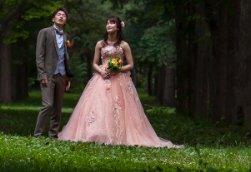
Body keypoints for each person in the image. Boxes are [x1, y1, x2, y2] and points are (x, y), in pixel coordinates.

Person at [58, 17, 179, 148]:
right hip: (102, 77)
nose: (109, 25)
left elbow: (131, 64)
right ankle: (95, 133)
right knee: (99, 104)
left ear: (118, 27)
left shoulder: (124, 45)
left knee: (117, 106)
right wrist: (102, 71)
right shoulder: (100, 44)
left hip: (119, 78)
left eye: (112, 23)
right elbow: (94, 63)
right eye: (107, 23)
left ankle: (118, 135)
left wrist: (118, 69)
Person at [33, 8, 73, 139]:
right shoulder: (44, 32)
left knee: (58, 107)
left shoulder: (66, 36)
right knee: (48, 104)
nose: (61, 16)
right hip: (48, 75)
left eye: (64, 15)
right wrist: (42, 74)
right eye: (58, 14)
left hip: (61, 75)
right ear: (53, 18)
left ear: (66, 20)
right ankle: (37, 134)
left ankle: (53, 134)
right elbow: (39, 55)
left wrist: (67, 77)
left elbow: (65, 57)